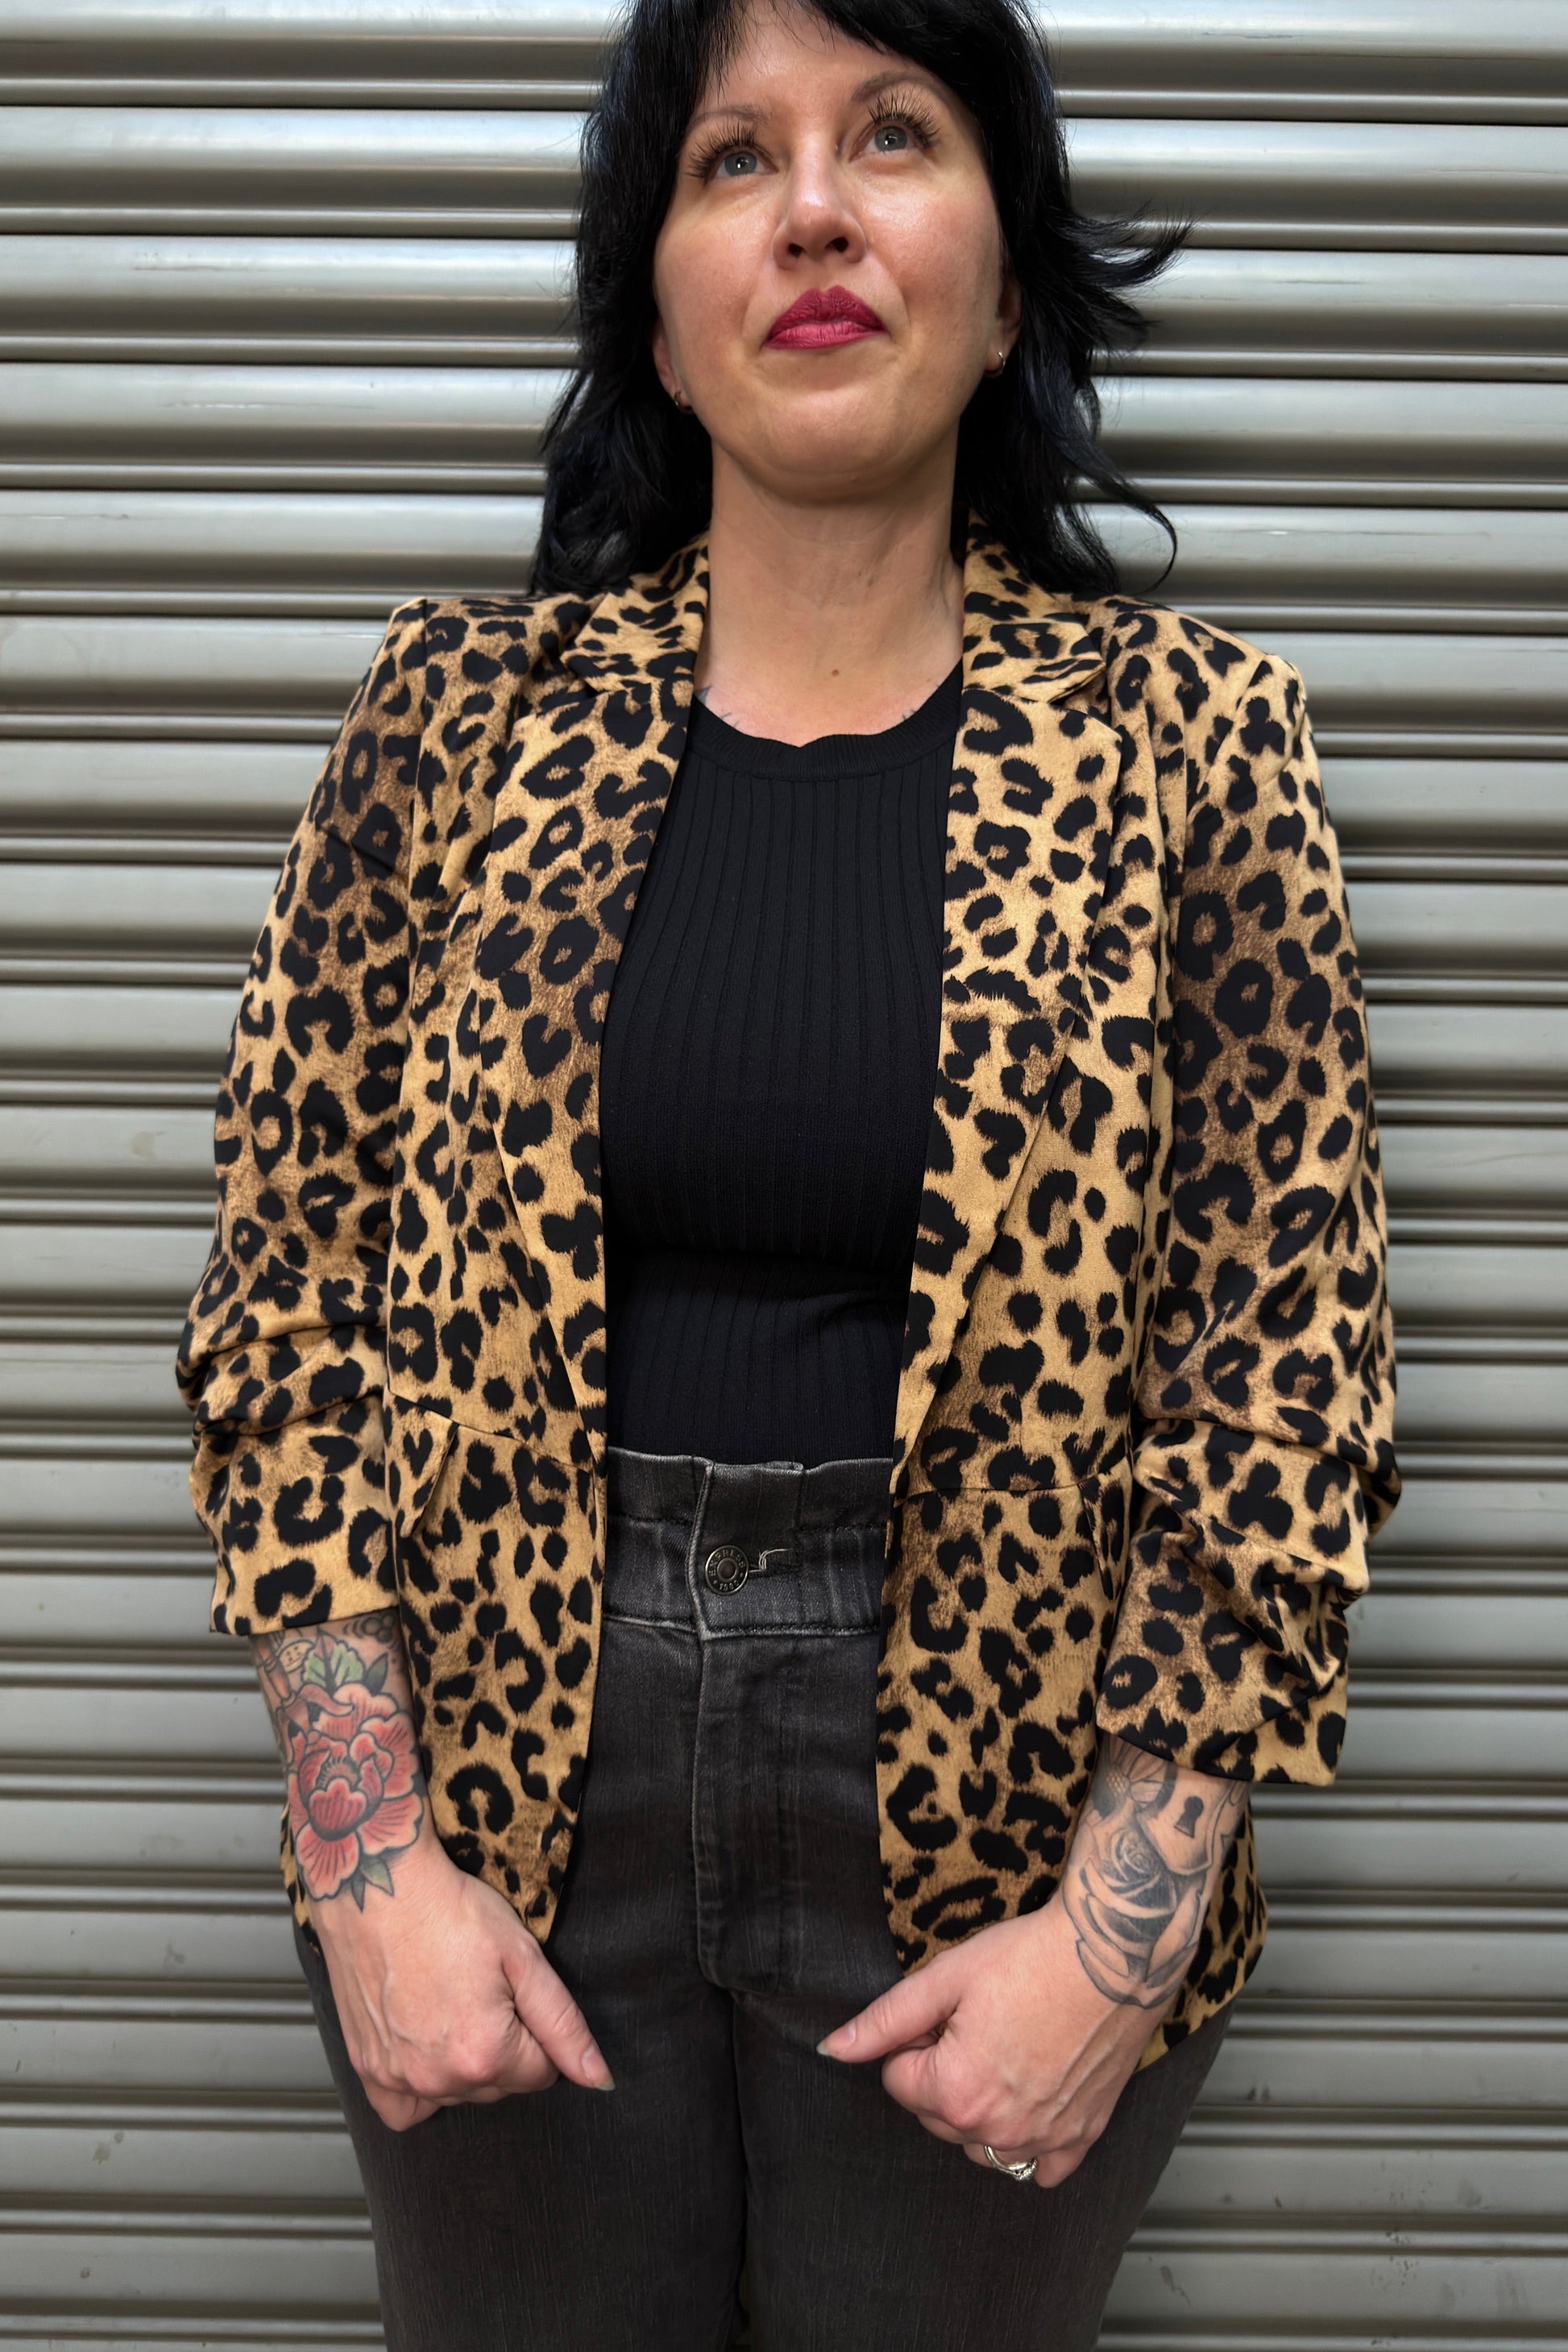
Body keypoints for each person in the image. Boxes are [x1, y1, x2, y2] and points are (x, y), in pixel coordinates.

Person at [176, 0, 1400, 2340]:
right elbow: (289, 1302)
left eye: (894, 137)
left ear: (1007, 279)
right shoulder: (451, 726)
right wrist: (371, 1868)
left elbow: (1282, 1371)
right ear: (652, 297)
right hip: (505, 1806)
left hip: (1008, 1831)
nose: (815, 207)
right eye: (731, 159)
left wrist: (1109, 1939)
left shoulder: (1188, 752)